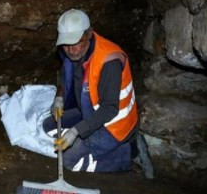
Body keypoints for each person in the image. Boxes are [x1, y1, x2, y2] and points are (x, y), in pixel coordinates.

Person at [43, 9, 154, 177]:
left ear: (88, 34)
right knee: (48, 125)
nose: (71, 50)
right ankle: (90, 140)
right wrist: (59, 97)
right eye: (66, 44)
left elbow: (109, 109)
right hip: (89, 113)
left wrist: (76, 131)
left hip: (114, 125)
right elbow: (65, 75)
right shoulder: (74, 52)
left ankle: (131, 153)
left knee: (68, 160)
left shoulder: (109, 61)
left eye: (75, 43)